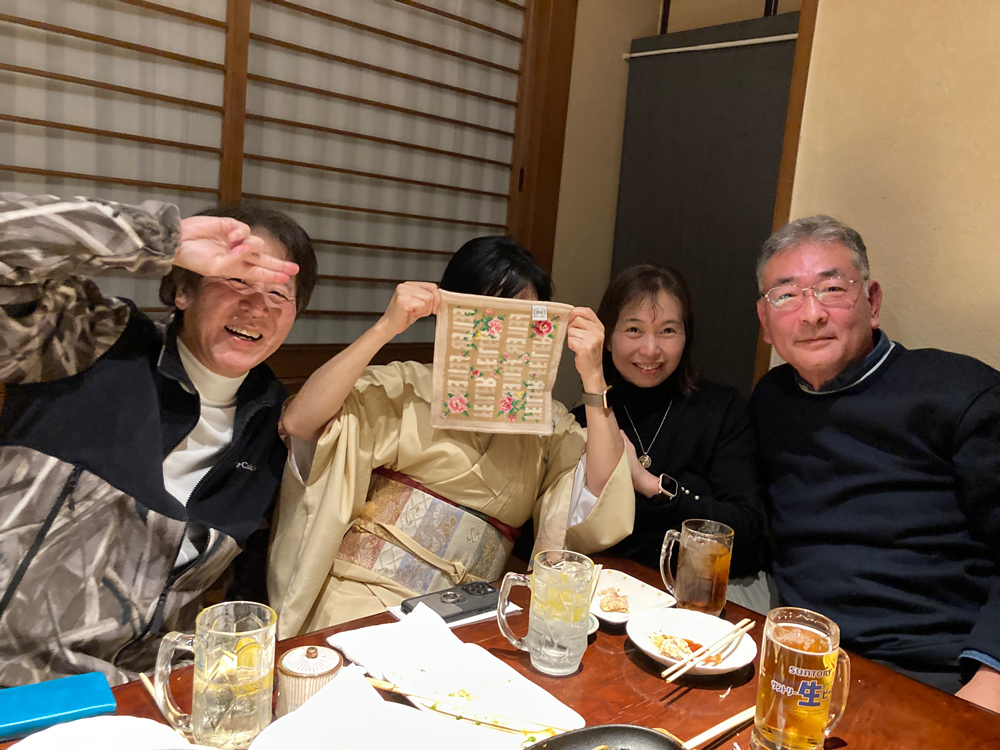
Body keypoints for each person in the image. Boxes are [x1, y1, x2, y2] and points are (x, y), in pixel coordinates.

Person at [0, 193, 316, 687]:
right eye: (236, 280)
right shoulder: (90, 343)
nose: (257, 306)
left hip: (140, 696)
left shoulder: (275, 426)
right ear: (183, 290)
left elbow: (254, 593)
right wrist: (157, 237)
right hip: (14, 681)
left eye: (278, 294)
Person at [269, 236, 634, 637]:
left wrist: (593, 376)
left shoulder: (546, 422)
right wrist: (385, 328)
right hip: (363, 602)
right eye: (484, 314)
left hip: (469, 617)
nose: (497, 332)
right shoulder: (406, 385)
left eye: (519, 321)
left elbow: (600, 489)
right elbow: (302, 422)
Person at [750, 214, 1000, 711]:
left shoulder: (961, 392)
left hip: (939, 669)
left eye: (831, 289)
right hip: (802, 662)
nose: (811, 314)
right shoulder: (770, 401)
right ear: (764, 321)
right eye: (786, 295)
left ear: (873, 301)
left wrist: (990, 681)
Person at [571, 265, 768, 610]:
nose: (650, 350)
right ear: (608, 338)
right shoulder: (586, 420)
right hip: (616, 593)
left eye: (667, 331)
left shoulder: (722, 409)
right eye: (634, 329)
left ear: (686, 336)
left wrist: (649, 485)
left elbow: (745, 527)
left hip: (711, 591)